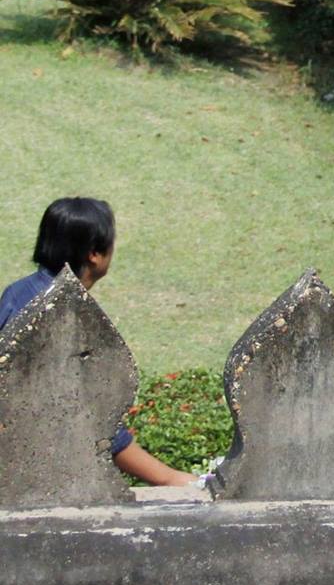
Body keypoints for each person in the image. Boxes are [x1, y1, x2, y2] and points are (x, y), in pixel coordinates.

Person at [0, 199, 196, 488]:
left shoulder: (17, 293)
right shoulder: (65, 318)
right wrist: (169, 478)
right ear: (94, 254)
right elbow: (93, 421)